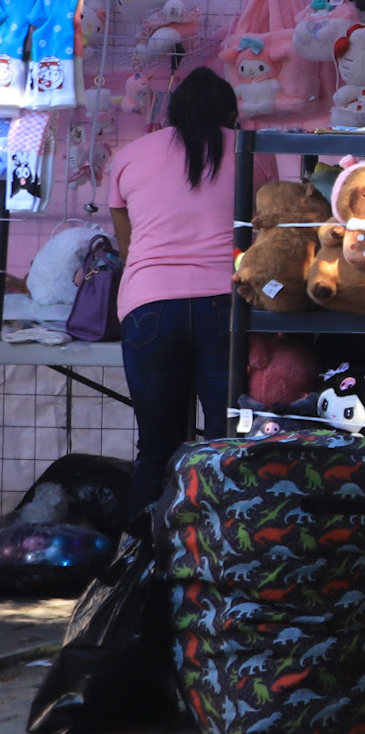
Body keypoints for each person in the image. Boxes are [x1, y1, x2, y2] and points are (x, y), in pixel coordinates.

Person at [109, 68, 241, 518]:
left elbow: (128, 251)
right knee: (228, 446)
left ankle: (141, 569)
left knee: (156, 449)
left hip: (149, 309)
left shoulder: (129, 155)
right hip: (226, 308)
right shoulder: (250, 150)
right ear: (230, 113)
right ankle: (227, 559)